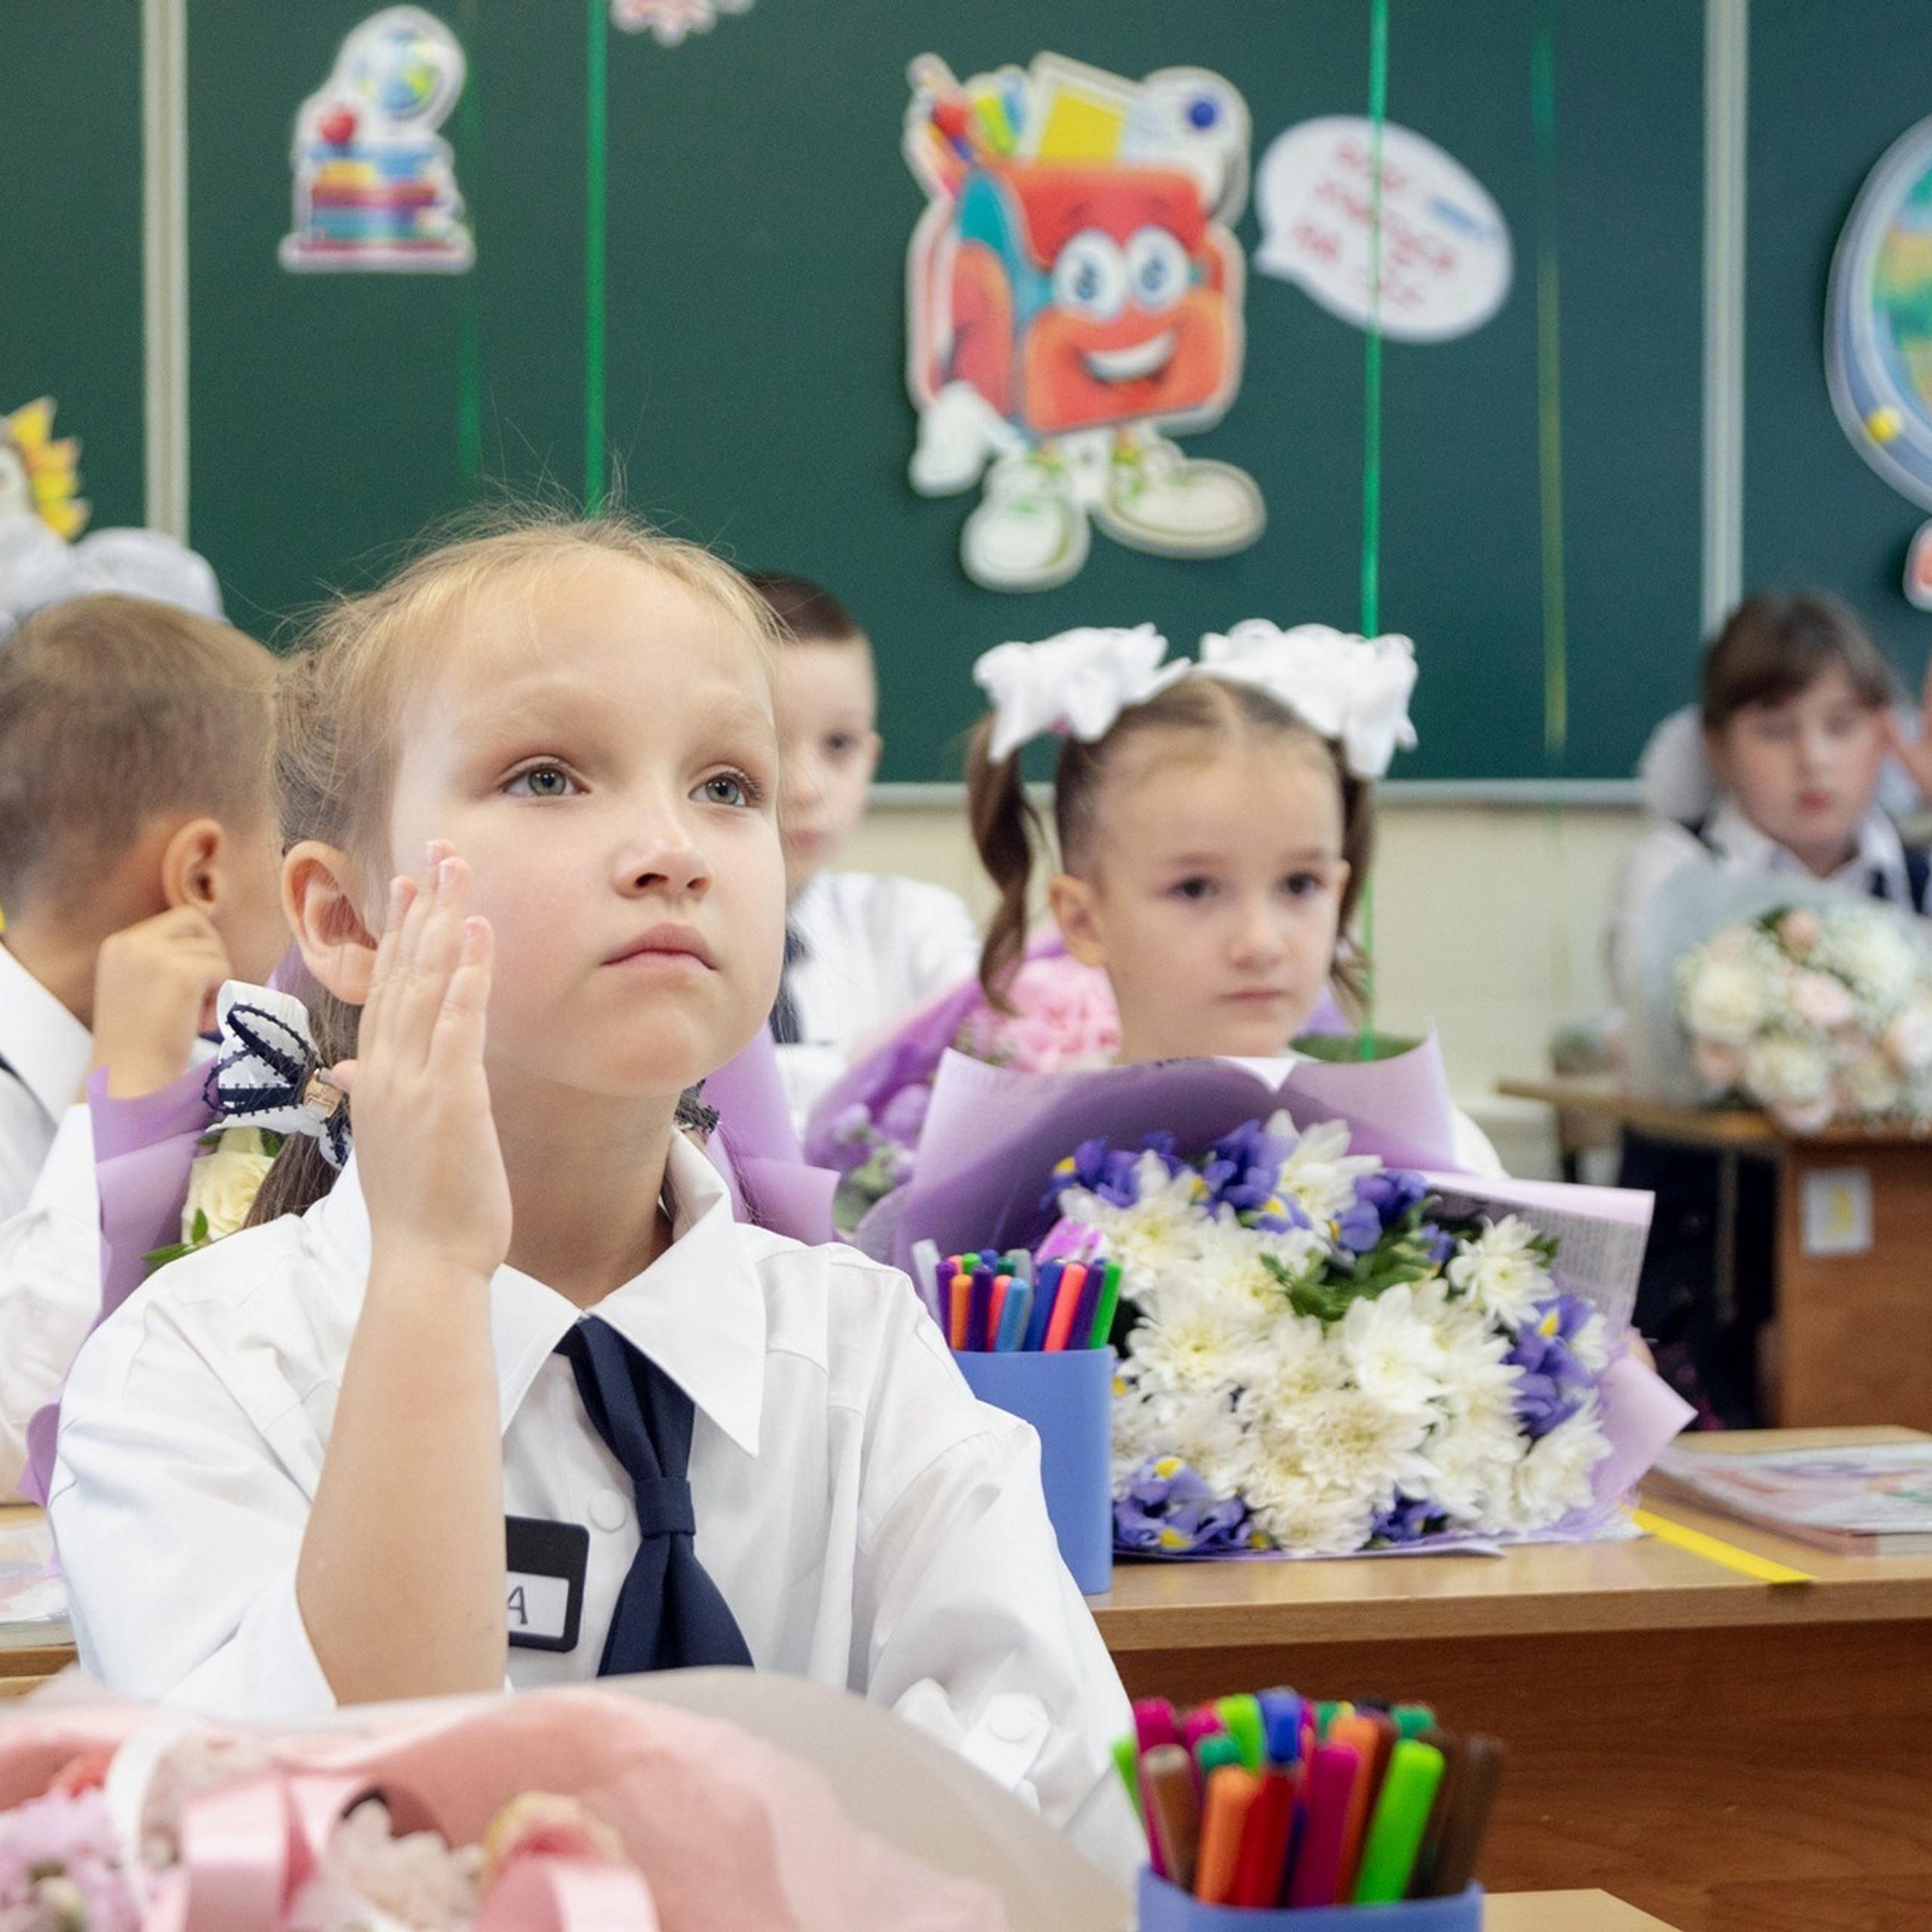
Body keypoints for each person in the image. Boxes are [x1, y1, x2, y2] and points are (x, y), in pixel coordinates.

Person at [50, 515, 1140, 1878]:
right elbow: (340, 1857)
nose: (669, 847)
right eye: (550, 774)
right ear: (342, 920)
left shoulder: (866, 1359)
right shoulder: (196, 1370)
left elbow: (1054, 1825)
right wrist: (432, 1281)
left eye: (729, 785)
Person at [1606, 590, 1930, 1423]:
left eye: (1844, 725)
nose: (1814, 761)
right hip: (1707, 1267)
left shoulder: (1916, 871)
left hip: (1899, 1259)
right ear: (1716, 746)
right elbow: (1664, 1051)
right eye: (1776, 729)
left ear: (1886, 736)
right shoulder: (1675, 870)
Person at [0, 594, 286, 1495]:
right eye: (297, 843)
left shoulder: (230, 1079)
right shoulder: (137, 1081)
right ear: (201, 874)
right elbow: (14, 1432)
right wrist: (111, 1110)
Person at [746, 572, 979, 1123]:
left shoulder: (915, 923)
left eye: (839, 745)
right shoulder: (651, 937)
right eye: (769, 740)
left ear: (871, 759)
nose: (806, 787)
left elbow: (979, 1075)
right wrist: (872, 1064)